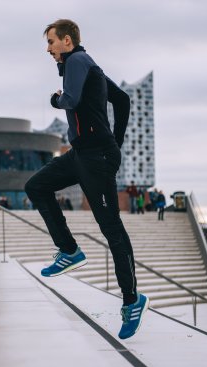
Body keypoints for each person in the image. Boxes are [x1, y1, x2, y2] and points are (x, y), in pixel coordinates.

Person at [25, 19, 148, 340]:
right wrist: (116, 140)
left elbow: (71, 100)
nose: (48, 49)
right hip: (82, 154)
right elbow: (122, 100)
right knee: (35, 186)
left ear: (67, 41)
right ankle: (69, 250)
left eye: (51, 42)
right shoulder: (86, 64)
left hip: (96, 158)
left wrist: (55, 99)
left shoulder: (77, 61)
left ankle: (132, 300)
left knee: (111, 228)